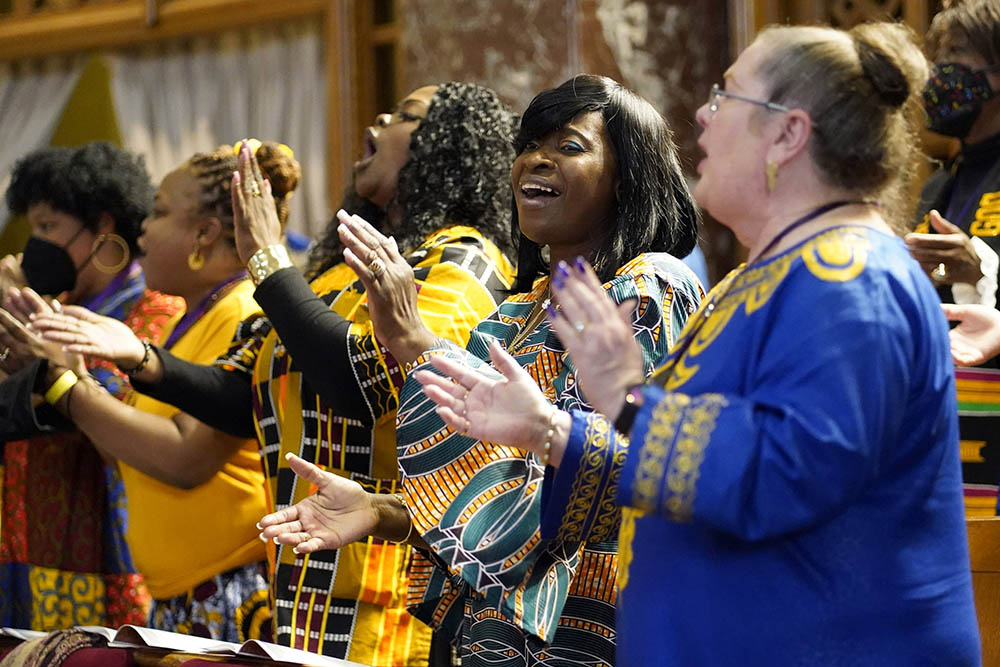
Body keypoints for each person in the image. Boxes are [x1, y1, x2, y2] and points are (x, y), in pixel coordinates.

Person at [411, 23, 981, 665]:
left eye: (727, 97)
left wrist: (615, 406)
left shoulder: (851, 278)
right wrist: (554, 431)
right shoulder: (770, 279)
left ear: (787, 134)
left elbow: (784, 474)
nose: (703, 117)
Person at [39, 83, 519, 666]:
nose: (380, 116)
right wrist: (141, 357)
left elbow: (366, 385)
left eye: (406, 116)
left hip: (388, 593)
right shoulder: (331, 278)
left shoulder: (464, 260)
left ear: (448, 146)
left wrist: (267, 259)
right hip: (302, 590)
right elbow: (241, 399)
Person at [259, 74, 704, 666]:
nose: (534, 162)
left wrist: (415, 341)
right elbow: (496, 498)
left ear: (626, 178)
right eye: (528, 146)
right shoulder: (515, 315)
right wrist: (380, 510)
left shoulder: (647, 289)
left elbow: (585, 493)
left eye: (568, 147)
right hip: (489, 641)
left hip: (592, 637)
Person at [24, 142, 300, 642]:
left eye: (159, 212)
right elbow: (124, 447)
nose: (143, 228)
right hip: (181, 596)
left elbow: (184, 460)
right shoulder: (187, 319)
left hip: (229, 595)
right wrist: (64, 371)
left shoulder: (241, 314)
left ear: (205, 232)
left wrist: (63, 382)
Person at [0, 143, 183, 630]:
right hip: (28, 554)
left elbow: (123, 425)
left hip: (111, 557)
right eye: (32, 227)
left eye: (48, 227)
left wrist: (50, 367)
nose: (33, 245)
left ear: (103, 228)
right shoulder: (46, 307)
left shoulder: (155, 312)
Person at [907, 0, 1000, 516]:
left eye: (956, 53)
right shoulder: (941, 184)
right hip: (942, 427)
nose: (938, 72)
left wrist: (984, 278)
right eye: (937, 54)